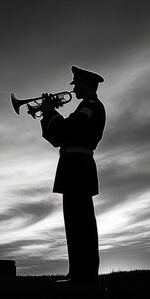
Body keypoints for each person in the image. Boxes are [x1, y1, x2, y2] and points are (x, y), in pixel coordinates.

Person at [40, 65, 106, 286]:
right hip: (72, 167)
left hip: (78, 166)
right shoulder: (82, 107)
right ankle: (77, 272)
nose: (74, 86)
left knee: (82, 223)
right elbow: (56, 137)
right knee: (73, 223)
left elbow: (70, 130)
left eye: (77, 83)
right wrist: (47, 115)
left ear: (87, 83)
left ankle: (85, 275)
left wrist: (50, 112)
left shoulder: (91, 106)